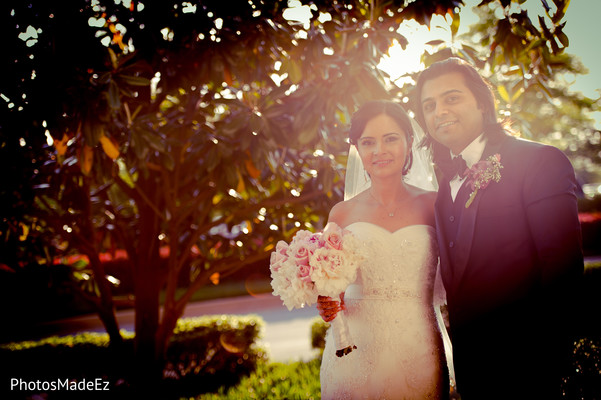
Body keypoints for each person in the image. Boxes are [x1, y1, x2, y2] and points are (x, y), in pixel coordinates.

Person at [414, 57, 584, 399]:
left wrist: (547, 362)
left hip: (529, 369)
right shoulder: (445, 187)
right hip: (474, 371)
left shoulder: (538, 161)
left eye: (451, 98)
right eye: (429, 105)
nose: (439, 111)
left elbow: (563, 271)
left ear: (481, 102)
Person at [317, 100, 450, 399]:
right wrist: (327, 302)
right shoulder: (341, 214)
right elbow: (333, 286)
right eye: (368, 142)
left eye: (390, 138)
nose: (380, 150)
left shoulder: (436, 205)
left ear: (409, 141)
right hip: (355, 351)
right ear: (357, 149)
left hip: (420, 348)